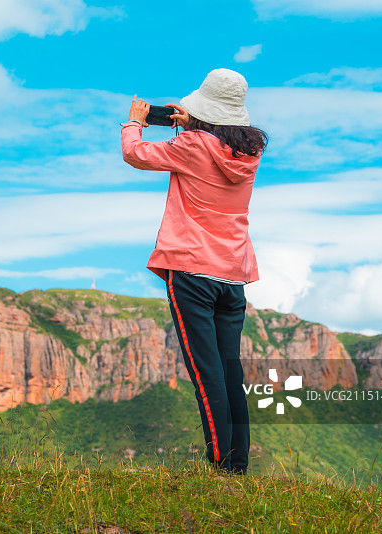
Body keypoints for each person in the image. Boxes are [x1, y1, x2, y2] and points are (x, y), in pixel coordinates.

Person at [120, 68, 268, 475]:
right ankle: (237, 464)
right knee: (229, 371)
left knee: (207, 375)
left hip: (192, 271)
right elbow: (214, 144)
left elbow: (136, 154)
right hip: (233, 274)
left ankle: (220, 466)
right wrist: (194, 123)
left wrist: (135, 122)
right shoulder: (249, 153)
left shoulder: (190, 146)